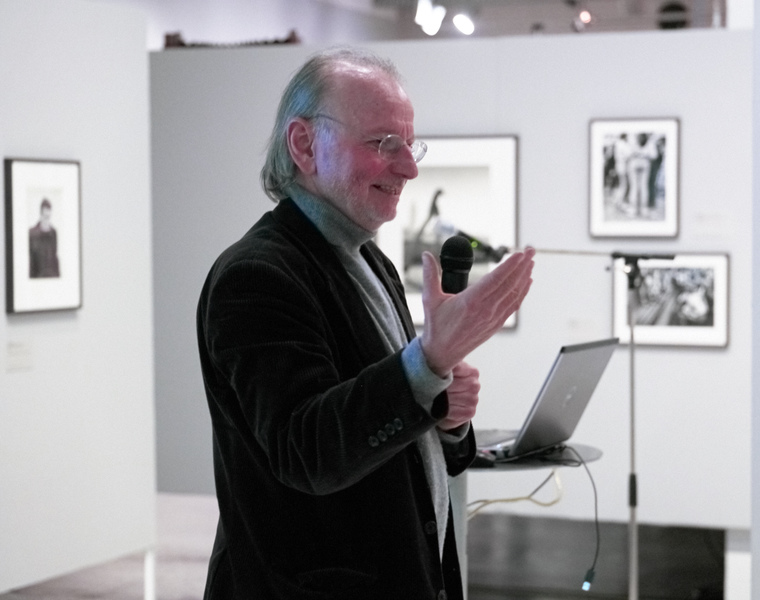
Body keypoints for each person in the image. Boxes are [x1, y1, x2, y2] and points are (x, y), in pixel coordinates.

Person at [196, 46, 536, 600]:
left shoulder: (369, 260)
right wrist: (428, 364)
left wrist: (447, 415)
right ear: (305, 145)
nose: (409, 167)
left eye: (410, 145)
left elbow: (393, 421)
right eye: (383, 143)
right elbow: (306, 452)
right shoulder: (256, 276)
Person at [29, 198, 60, 278]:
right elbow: (31, 261)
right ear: (41, 215)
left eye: (48, 217)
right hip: (37, 277)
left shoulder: (53, 233)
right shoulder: (32, 234)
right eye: (45, 216)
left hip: (52, 277)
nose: (47, 220)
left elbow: (55, 257)